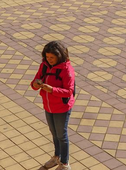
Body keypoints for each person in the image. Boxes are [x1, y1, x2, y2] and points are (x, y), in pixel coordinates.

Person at [31, 41, 76, 170]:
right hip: (48, 106)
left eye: (52, 57)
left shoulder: (66, 69)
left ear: (59, 56)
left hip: (62, 107)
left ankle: (65, 163)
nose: (49, 60)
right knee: (54, 133)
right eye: (47, 57)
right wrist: (35, 84)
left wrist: (52, 90)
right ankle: (57, 157)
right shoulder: (44, 66)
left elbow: (69, 91)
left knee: (61, 135)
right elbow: (35, 80)